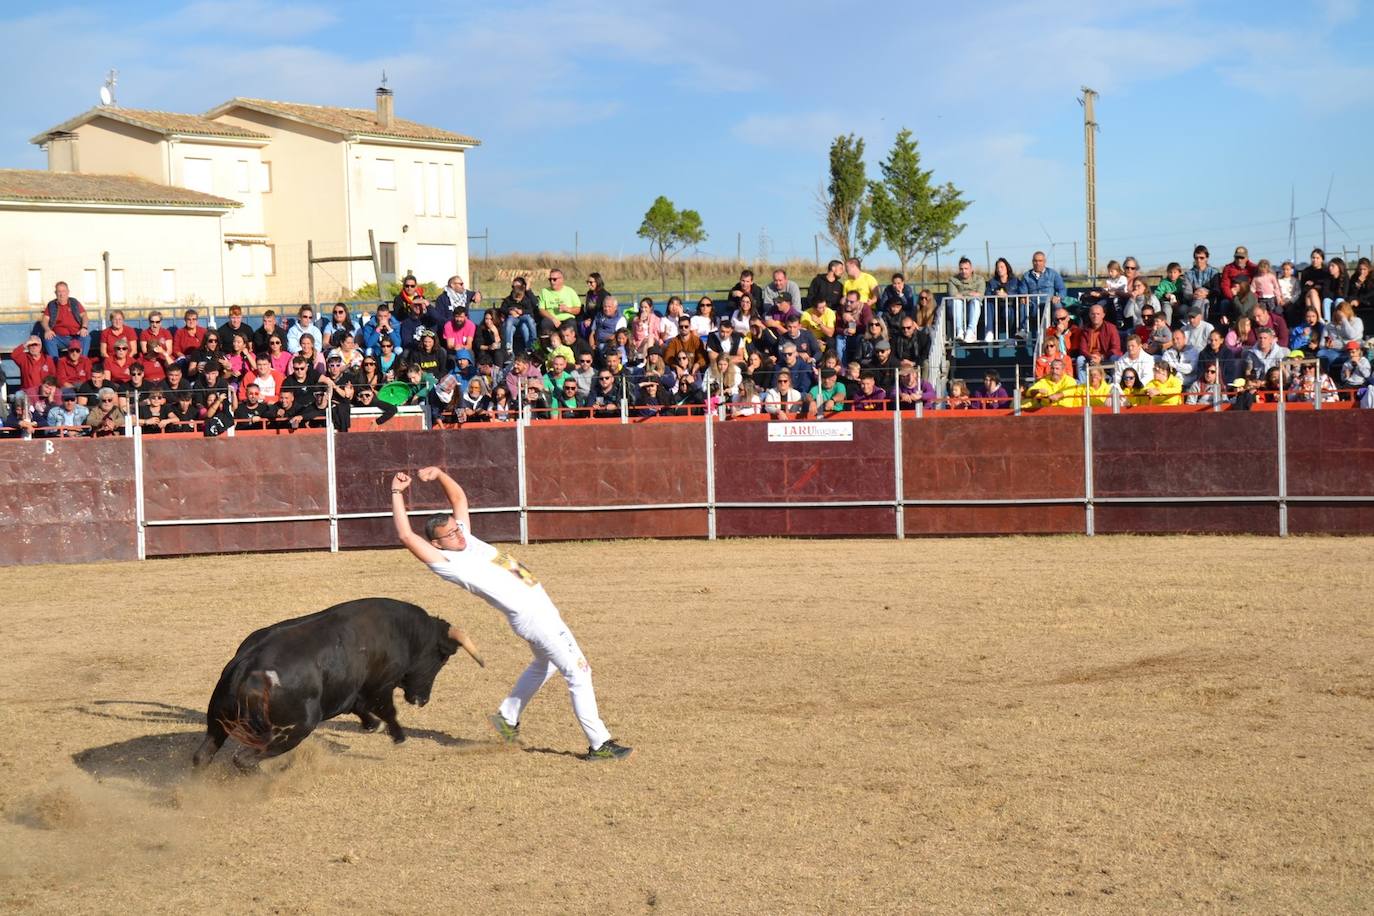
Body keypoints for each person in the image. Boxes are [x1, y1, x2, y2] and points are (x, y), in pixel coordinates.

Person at [391, 468, 632, 760]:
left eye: (457, 529)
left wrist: (440, 474)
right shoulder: (446, 562)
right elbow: (406, 535)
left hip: (539, 611)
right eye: (451, 535)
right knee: (579, 673)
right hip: (535, 618)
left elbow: (459, 498)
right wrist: (396, 494)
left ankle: (507, 718)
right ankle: (600, 744)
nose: (459, 536)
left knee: (546, 664)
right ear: (437, 544)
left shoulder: (464, 538)